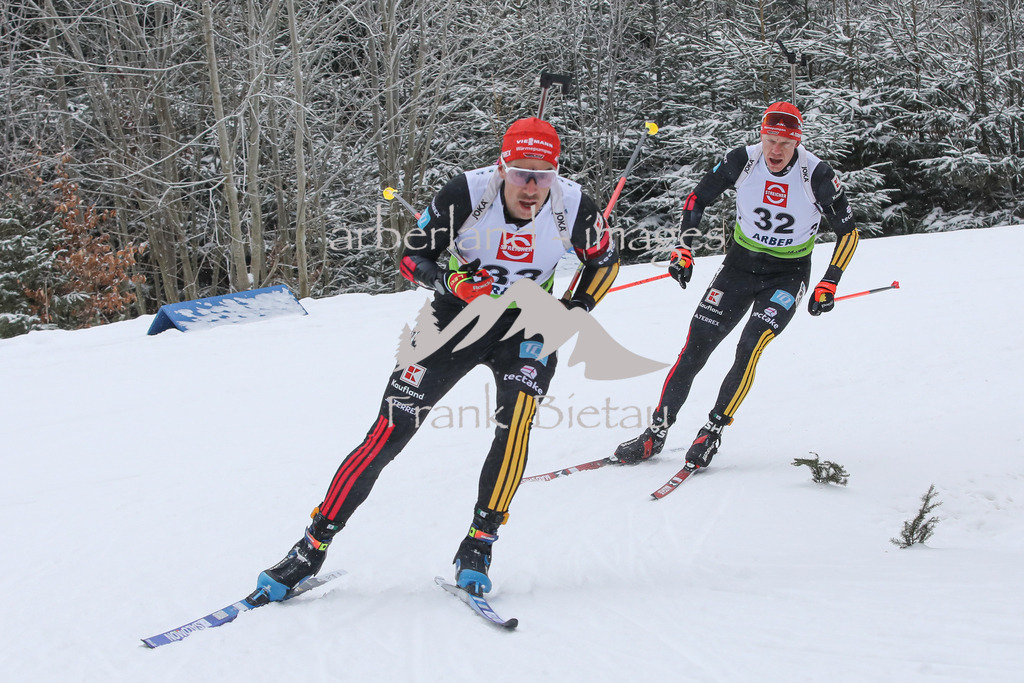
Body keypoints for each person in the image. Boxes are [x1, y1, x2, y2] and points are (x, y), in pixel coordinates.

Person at [251, 116, 619, 601]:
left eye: (543, 174)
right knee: (391, 427)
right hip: (455, 317)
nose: (532, 187)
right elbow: (411, 258)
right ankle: (311, 545)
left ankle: (479, 543)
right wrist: (454, 282)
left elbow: (604, 261)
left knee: (518, 418)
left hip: (529, 323)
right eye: (521, 172)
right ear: (501, 165)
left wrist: (577, 306)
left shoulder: (574, 205)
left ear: (556, 173)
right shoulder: (467, 194)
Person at [614, 101, 859, 468]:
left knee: (749, 346)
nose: (775, 151)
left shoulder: (817, 174)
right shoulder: (741, 160)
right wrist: (684, 247)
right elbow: (698, 198)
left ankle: (711, 431)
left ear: (798, 142)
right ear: (761, 135)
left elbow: (848, 232)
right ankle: (656, 432)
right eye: (769, 140)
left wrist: (829, 282)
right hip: (739, 267)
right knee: (695, 348)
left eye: (785, 144)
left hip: (787, 274)